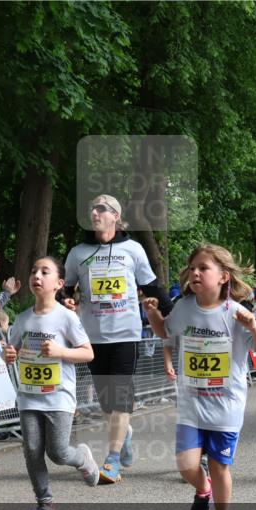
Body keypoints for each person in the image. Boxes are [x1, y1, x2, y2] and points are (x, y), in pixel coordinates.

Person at [144, 244, 256, 510]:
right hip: (191, 403)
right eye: (192, 268)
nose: (195, 272)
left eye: (203, 268)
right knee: (187, 465)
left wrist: (253, 325)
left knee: (219, 465)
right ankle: (203, 490)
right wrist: (151, 313)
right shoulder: (184, 307)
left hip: (226, 405)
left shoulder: (236, 312)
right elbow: (166, 333)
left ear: (224, 277)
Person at [63, 194, 172, 484]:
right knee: (106, 402)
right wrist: (67, 301)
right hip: (92, 336)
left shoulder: (133, 250)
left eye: (101, 208)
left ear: (116, 217)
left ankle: (111, 461)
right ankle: (125, 434)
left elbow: (151, 286)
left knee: (121, 396)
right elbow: (66, 289)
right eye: (91, 207)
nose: (94, 212)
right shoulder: (77, 253)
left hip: (125, 333)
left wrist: (174, 315)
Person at [3, 256, 98, 510]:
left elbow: (88, 353)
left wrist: (60, 352)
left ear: (58, 283)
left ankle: (82, 458)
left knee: (58, 453)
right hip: (29, 395)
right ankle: (45, 504)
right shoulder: (22, 319)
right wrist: (9, 355)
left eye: (45, 272)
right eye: (34, 271)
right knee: (32, 450)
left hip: (58, 396)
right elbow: (12, 350)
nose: (37, 276)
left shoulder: (66, 318)